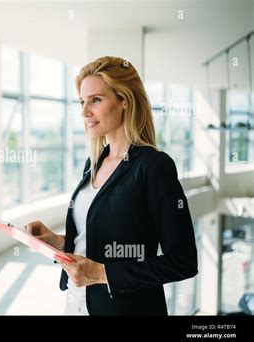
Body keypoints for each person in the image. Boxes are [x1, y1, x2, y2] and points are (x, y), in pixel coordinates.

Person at [25, 56, 198, 315]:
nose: (84, 112)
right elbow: (94, 243)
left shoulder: (154, 166)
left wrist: (102, 273)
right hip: (79, 303)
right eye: (82, 102)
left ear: (124, 100)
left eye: (95, 100)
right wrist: (58, 243)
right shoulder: (93, 163)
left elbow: (183, 262)